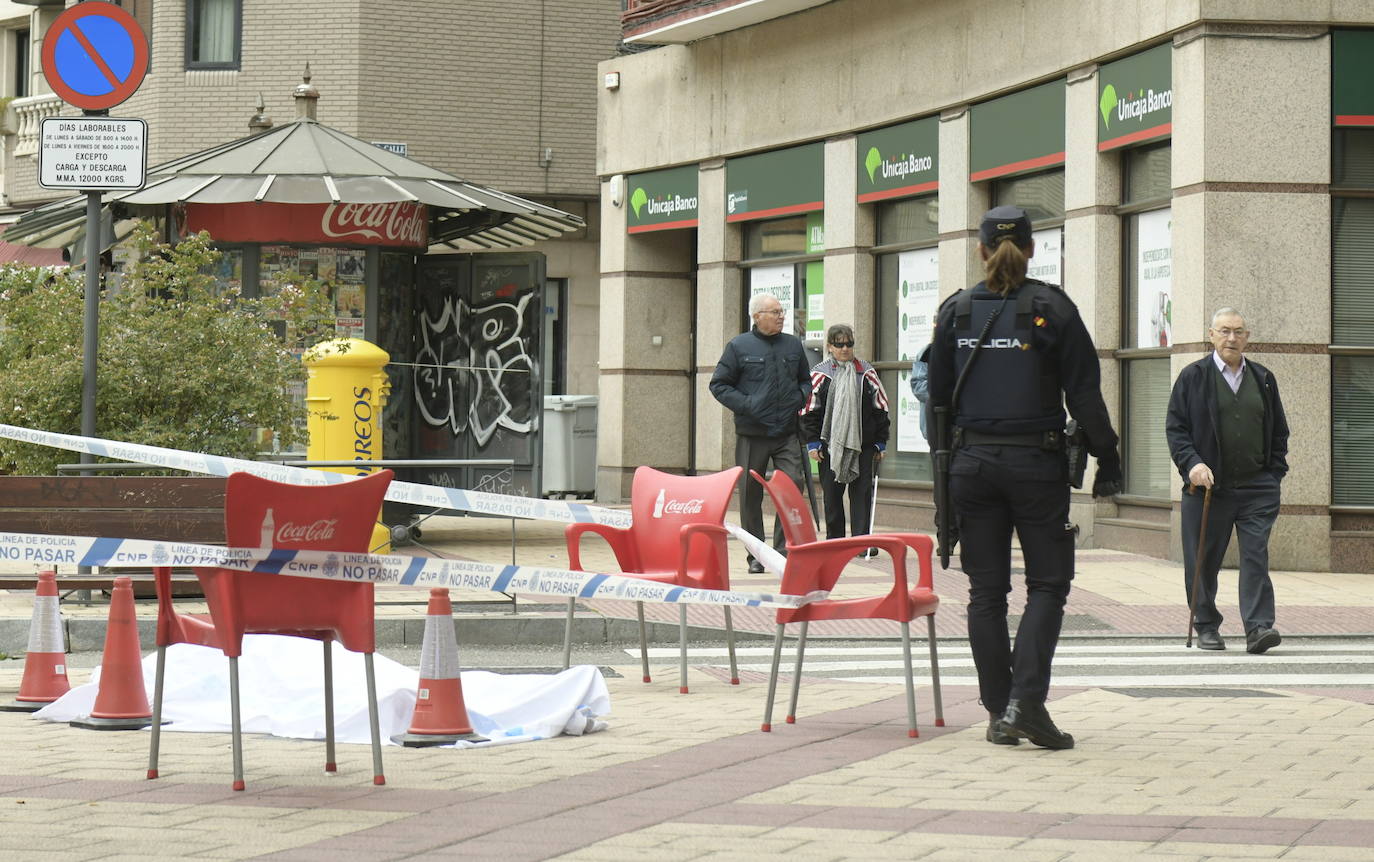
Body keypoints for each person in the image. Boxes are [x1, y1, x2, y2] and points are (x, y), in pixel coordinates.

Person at [928, 205, 1122, 751]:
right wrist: (1108, 458)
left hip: (971, 466)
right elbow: (1084, 393)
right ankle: (1026, 703)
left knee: (985, 592)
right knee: (1048, 584)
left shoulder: (956, 311)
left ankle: (1000, 712)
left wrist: (944, 479)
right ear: (1034, 249)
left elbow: (937, 402)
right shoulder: (1052, 308)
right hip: (1036, 466)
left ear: (981, 250)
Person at [1165, 307, 1288, 655]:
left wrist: (1273, 474)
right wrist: (1192, 464)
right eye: (1224, 331)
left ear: (1247, 337)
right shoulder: (1193, 377)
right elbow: (1176, 429)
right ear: (1211, 334)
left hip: (1256, 487)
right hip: (1207, 489)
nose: (1231, 338)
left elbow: (1279, 431)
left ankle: (1259, 627)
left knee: (1255, 557)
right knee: (1202, 560)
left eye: (1237, 332)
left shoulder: (1263, 378)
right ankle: (1206, 626)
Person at [710, 293, 812, 573]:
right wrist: (748, 405)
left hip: (786, 433)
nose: (781, 316)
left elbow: (806, 379)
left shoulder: (792, 344)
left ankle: (780, 553)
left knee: (791, 487)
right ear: (757, 316)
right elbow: (719, 385)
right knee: (750, 495)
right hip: (752, 433)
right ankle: (756, 554)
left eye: (782, 311)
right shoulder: (738, 346)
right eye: (775, 312)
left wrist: (799, 397)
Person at [801, 323, 890, 543]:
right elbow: (808, 410)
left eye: (849, 344)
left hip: (864, 445)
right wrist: (812, 443)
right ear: (829, 346)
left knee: (862, 495)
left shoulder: (866, 372)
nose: (845, 349)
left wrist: (881, 442)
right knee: (832, 495)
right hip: (828, 446)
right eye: (839, 344)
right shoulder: (820, 374)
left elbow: (881, 408)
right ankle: (836, 541)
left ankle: (861, 541)